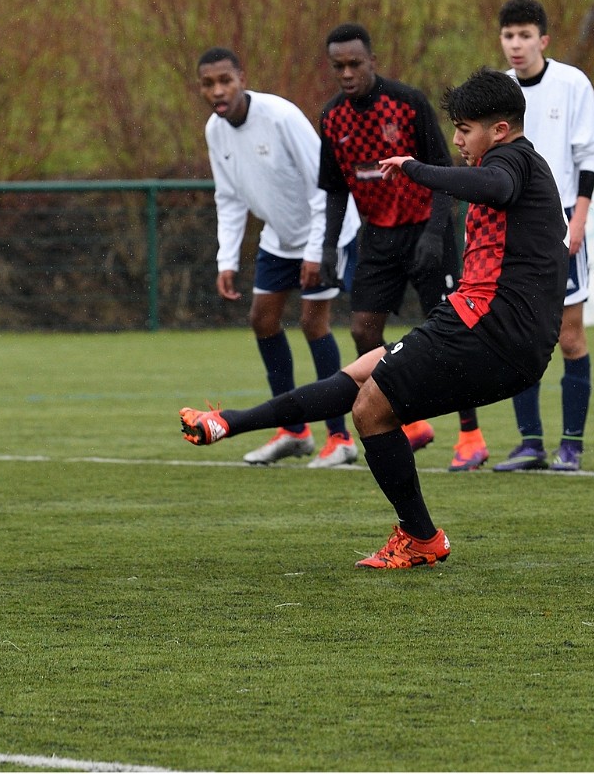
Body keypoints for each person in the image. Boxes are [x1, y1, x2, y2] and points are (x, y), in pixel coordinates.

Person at [181, 68, 566, 568]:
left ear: (499, 130)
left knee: (370, 409)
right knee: (361, 374)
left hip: (489, 331)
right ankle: (230, 422)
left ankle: (420, 538)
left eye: (464, 129)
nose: (456, 140)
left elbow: (494, 184)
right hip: (493, 333)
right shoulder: (518, 165)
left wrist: (416, 168)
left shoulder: (513, 160)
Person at [316, 23, 490, 472]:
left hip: (426, 229)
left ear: (372, 61)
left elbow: (443, 170)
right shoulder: (332, 117)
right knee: (362, 330)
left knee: (453, 335)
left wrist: (435, 233)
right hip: (378, 235)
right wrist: (328, 247)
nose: (347, 73)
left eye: (355, 64)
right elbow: (335, 189)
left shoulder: (407, 103)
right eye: (339, 66)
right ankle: (409, 423)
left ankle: (470, 435)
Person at [197, 47, 362, 469]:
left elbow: (325, 184)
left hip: (327, 231)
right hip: (279, 237)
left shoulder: (281, 116)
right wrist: (226, 260)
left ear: (242, 79)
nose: (218, 90)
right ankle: (293, 431)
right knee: (262, 319)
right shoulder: (215, 130)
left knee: (313, 322)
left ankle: (340, 437)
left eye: (225, 80)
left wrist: (316, 251)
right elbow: (229, 197)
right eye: (208, 83)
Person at [490, 0, 594, 473]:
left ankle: (572, 445)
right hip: (510, 224)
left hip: (560, 220)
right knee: (517, 334)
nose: (516, 44)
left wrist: (579, 218)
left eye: (524, 35)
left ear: (543, 40)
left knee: (569, 336)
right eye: (508, 36)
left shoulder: (572, 83)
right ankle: (530, 443)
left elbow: (589, 154)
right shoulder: (498, 89)